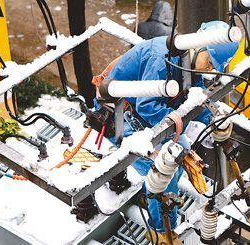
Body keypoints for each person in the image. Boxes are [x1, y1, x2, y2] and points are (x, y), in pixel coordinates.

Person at [93, 20, 239, 244]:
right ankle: (162, 232)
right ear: (199, 45)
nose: (209, 68)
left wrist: (213, 119)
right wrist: (179, 131)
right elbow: (147, 106)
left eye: (213, 66)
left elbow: (190, 99)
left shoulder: (188, 59)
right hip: (118, 115)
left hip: (139, 112)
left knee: (177, 159)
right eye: (209, 61)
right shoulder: (161, 58)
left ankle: (149, 194)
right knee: (165, 167)